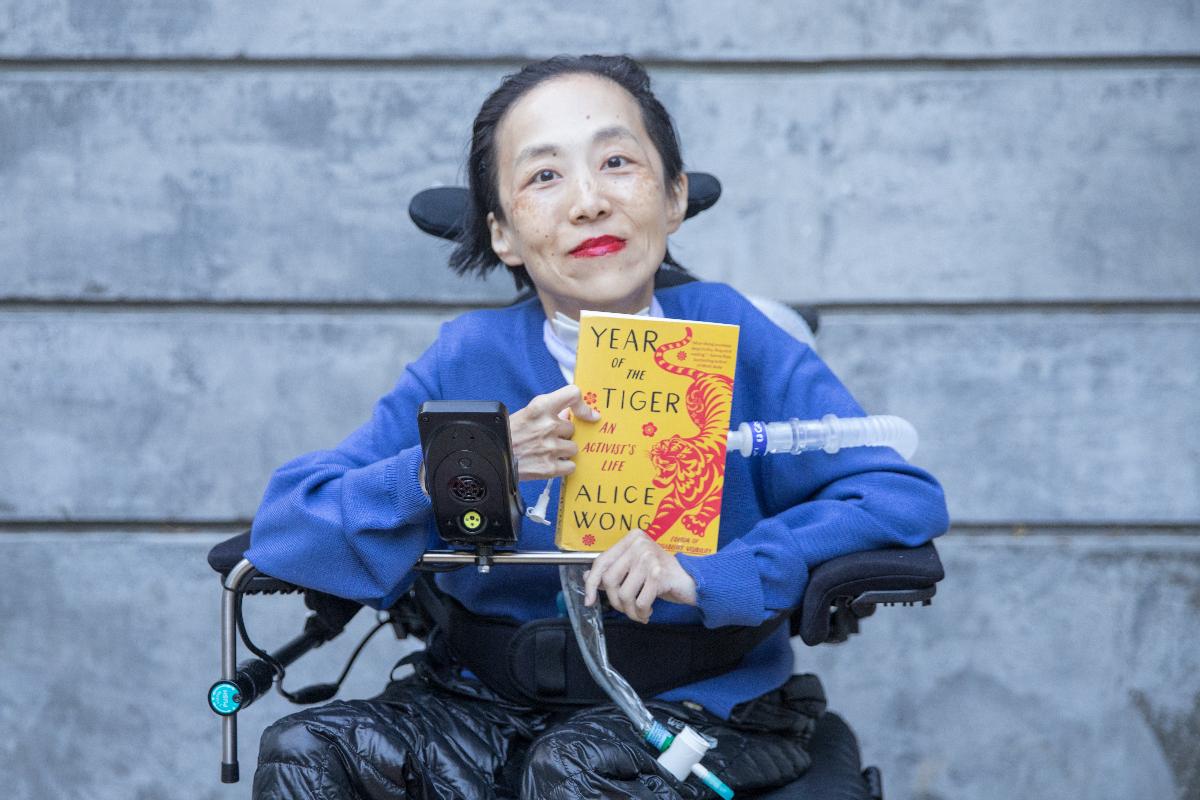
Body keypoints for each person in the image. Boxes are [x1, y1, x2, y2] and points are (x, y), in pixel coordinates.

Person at [246, 54, 949, 799]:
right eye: (544, 176)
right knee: (307, 749)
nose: (588, 202)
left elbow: (898, 497)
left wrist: (714, 572)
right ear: (504, 234)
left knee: (578, 767)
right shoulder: (469, 357)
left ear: (673, 198)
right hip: (479, 700)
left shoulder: (739, 336)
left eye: (617, 162)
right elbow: (291, 527)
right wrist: (456, 468)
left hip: (707, 706)